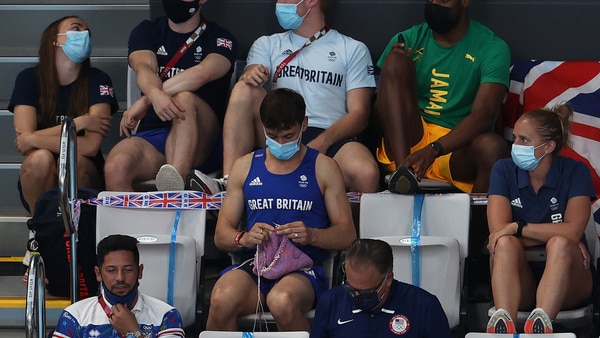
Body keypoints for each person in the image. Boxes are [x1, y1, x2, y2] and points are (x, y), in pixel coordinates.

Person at [189, 0, 379, 195]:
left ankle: (346, 225)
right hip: (278, 131)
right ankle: (228, 184)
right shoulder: (268, 44)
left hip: (330, 134)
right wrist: (251, 73)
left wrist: (322, 142)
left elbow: (360, 114)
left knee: (366, 172)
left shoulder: (352, 48)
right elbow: (252, 73)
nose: (279, 3)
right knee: (244, 88)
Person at [206, 88, 356, 332]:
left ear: (304, 125)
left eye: (288, 135)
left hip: (302, 270)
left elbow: (347, 235)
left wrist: (313, 234)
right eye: (273, 136)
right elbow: (222, 235)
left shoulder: (324, 168)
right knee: (221, 298)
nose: (280, 143)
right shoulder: (244, 166)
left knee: (281, 301)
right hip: (255, 266)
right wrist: (243, 238)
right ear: (263, 126)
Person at [374, 0, 511, 195]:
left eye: (443, 0)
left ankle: (480, 224)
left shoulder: (492, 47)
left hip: (454, 149)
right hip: (408, 141)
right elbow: (381, 106)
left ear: (464, 2)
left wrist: (434, 149)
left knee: (493, 148)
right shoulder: (408, 38)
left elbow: (483, 116)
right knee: (395, 60)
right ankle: (403, 174)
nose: (434, 4)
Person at [103, 0, 237, 191]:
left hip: (203, 138)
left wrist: (146, 100)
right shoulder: (147, 30)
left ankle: (172, 192)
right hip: (155, 134)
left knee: (184, 98)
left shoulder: (220, 37)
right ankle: (140, 221)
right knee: (116, 166)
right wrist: (155, 95)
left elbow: (203, 73)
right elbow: (143, 68)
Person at [485, 104, 595, 334]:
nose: (515, 146)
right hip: (520, 280)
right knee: (505, 244)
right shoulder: (503, 170)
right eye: (514, 138)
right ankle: (503, 323)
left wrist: (518, 228)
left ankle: (541, 326)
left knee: (561, 244)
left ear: (549, 146)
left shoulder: (576, 171)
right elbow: (497, 234)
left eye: (524, 140)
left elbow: (573, 232)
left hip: (571, 282)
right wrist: (554, 232)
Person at [9, 15, 118, 214]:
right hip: (40, 175)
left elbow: (90, 147)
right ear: (55, 40)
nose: (84, 35)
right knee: (40, 159)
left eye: (87, 32)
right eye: (76, 29)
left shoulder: (98, 79)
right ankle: (39, 229)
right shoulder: (28, 79)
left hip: (85, 173)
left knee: (74, 161)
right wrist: (80, 122)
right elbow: (25, 144)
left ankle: (79, 233)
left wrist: (34, 138)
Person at [311, 238, 450, 338]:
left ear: (388, 279)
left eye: (366, 291)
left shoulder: (424, 306)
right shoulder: (330, 302)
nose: (357, 295)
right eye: (350, 288)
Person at [52, 234, 185, 337]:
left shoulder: (166, 315)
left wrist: (133, 333)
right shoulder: (75, 316)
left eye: (128, 269)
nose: (120, 277)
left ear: (140, 271)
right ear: (98, 273)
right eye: (111, 270)